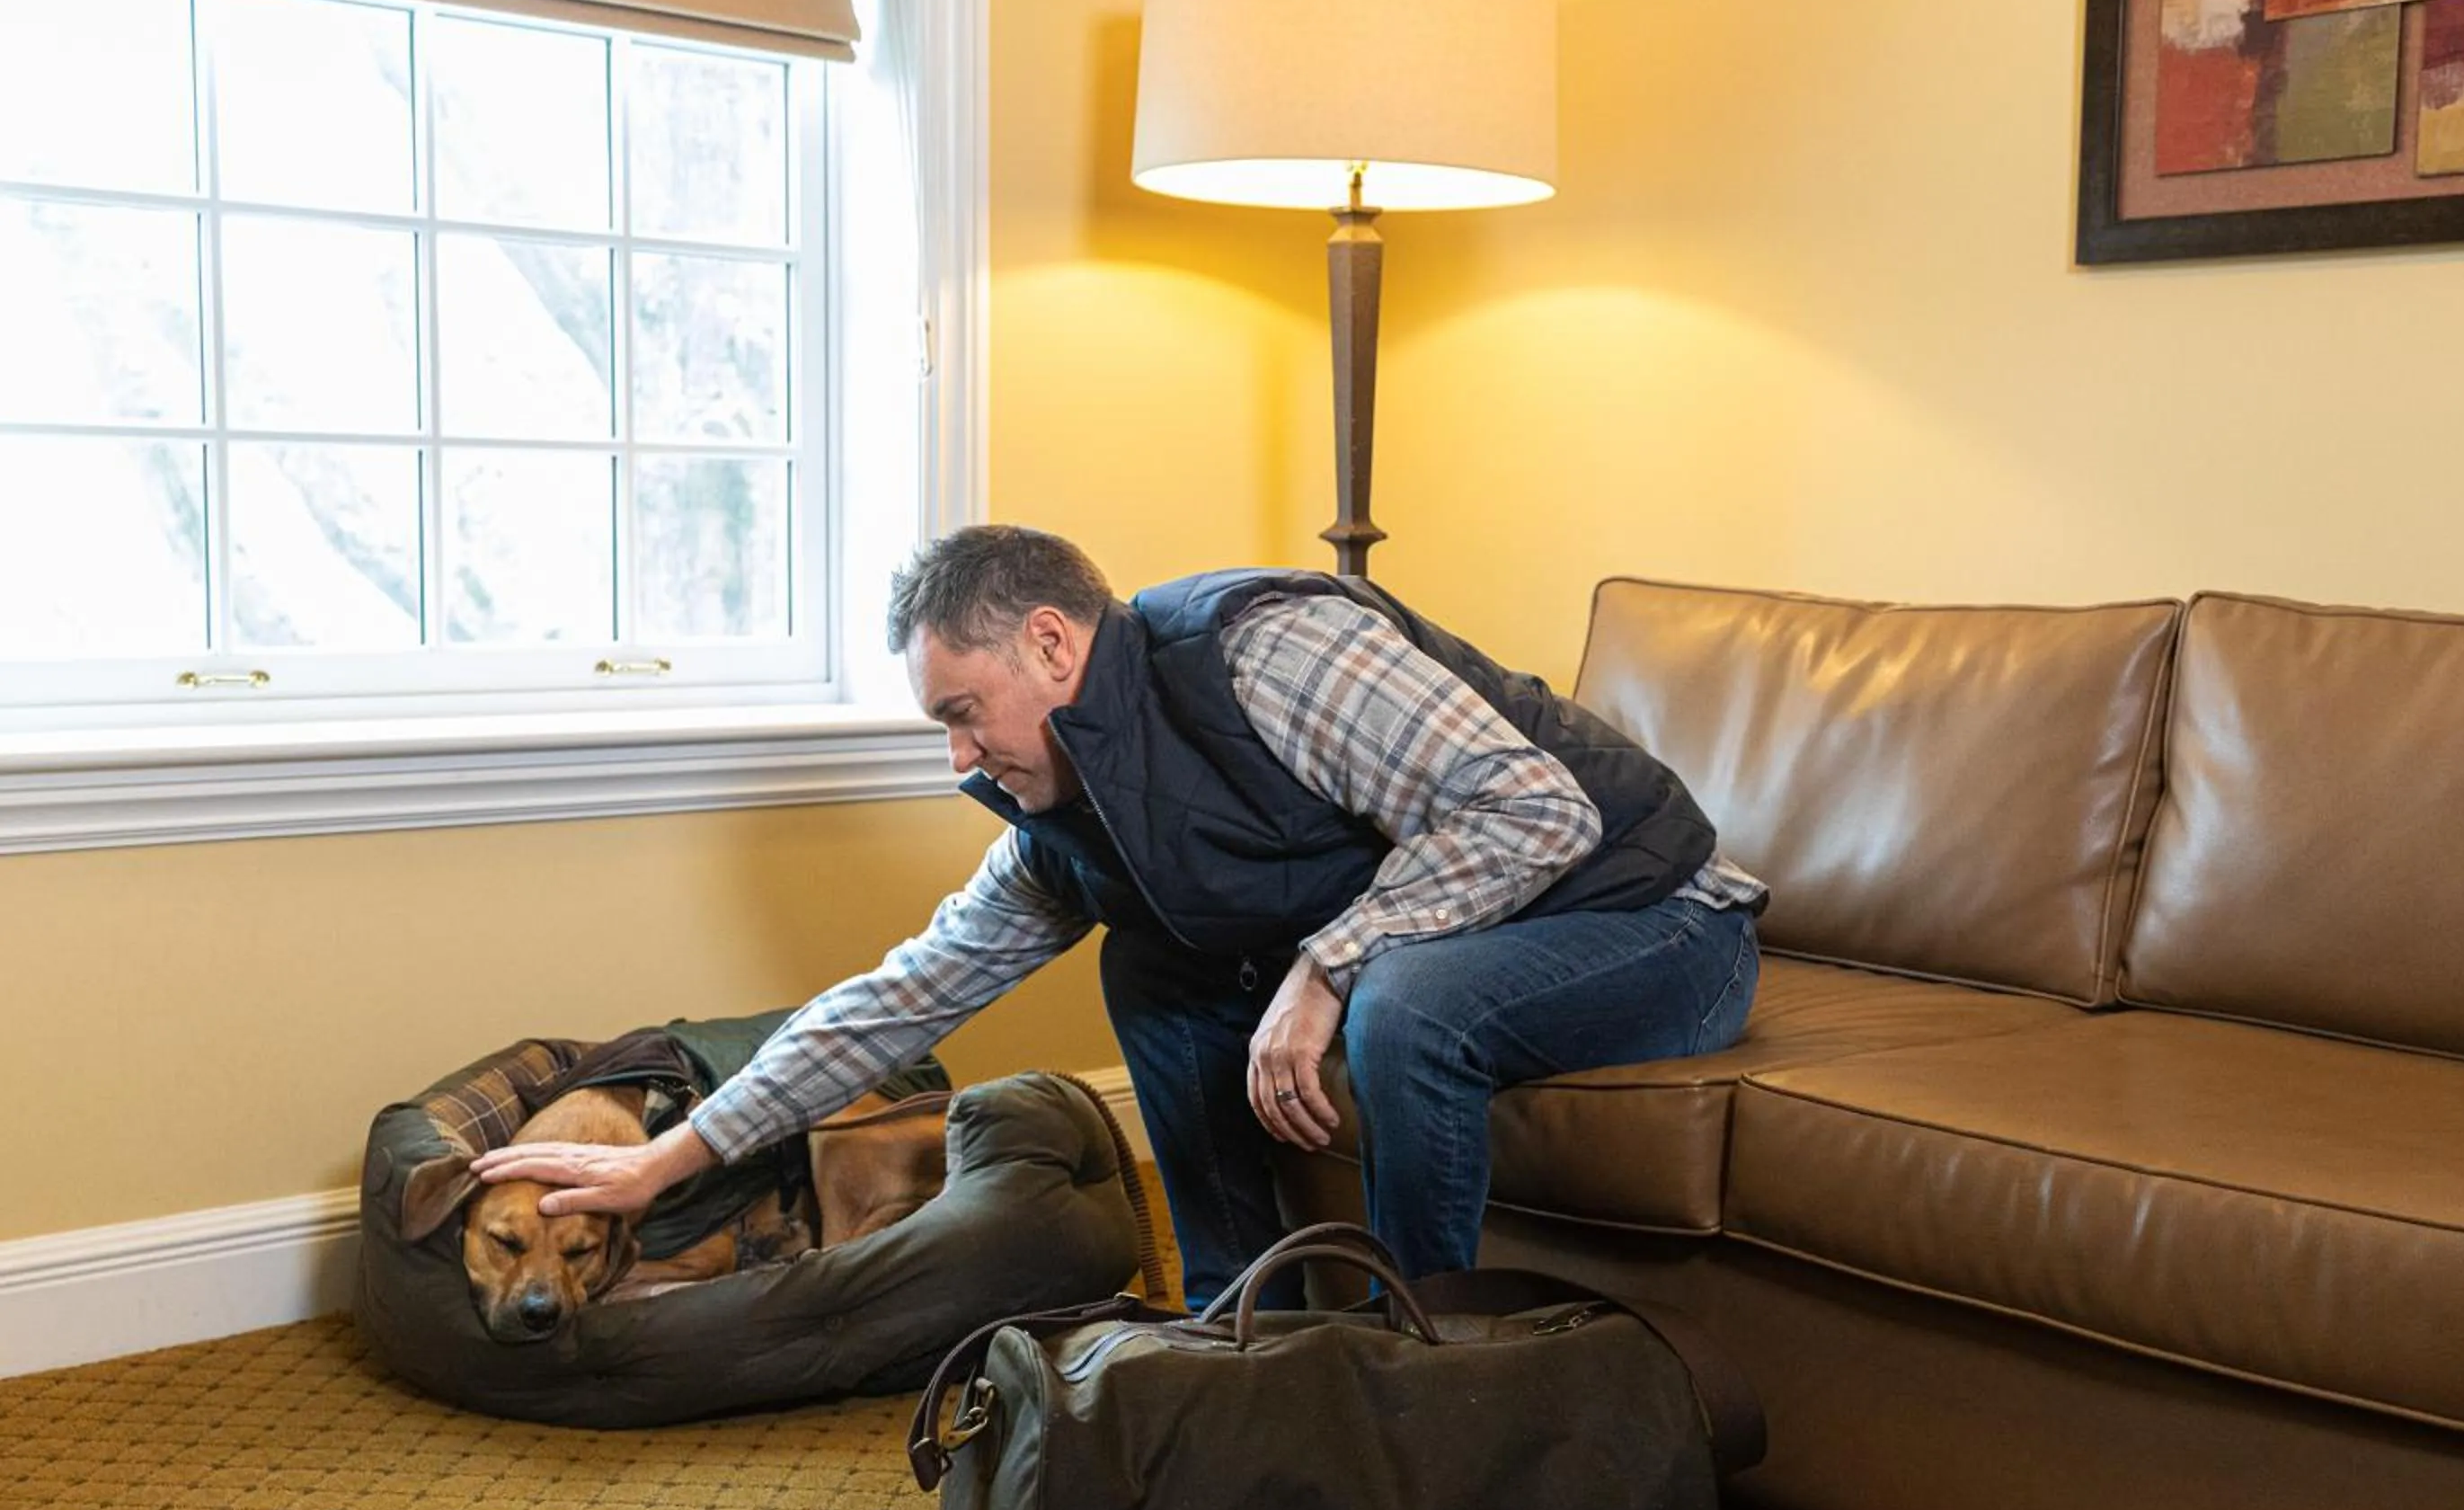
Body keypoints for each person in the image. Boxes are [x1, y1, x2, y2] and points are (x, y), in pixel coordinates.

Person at [474, 526, 1768, 1308]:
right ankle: (1245, 1326)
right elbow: (902, 998)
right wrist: (669, 1158)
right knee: (1159, 968)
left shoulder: (1271, 649)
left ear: (1050, 643)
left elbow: (1532, 811)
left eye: (961, 713)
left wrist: (1328, 967)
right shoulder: (1066, 816)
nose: (959, 759)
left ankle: (1436, 1358)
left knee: (1407, 999)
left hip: (1655, 917)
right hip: (1493, 928)